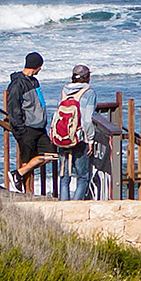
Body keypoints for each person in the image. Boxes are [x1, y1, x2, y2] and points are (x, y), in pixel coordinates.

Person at [3, 52, 56, 192]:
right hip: (27, 129)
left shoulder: (34, 81)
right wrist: (20, 130)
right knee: (27, 158)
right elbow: (14, 108)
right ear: (37, 66)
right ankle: (23, 186)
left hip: (39, 128)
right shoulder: (17, 84)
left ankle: (18, 173)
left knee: (50, 155)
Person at [50, 65, 97, 201]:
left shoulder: (65, 90)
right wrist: (90, 140)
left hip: (62, 136)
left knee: (64, 176)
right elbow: (87, 120)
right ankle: (75, 207)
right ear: (87, 77)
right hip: (79, 138)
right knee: (82, 177)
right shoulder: (89, 92)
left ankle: (63, 207)